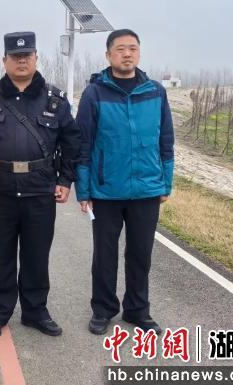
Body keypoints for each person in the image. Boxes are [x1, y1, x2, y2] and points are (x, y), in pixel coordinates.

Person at [0, 31, 81, 340]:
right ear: (4, 60)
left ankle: (35, 311)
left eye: (27, 56)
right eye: (15, 56)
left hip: (40, 191)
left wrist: (65, 180)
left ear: (35, 58)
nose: (22, 61)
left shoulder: (55, 100)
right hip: (1, 191)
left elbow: (72, 141)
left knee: (36, 256)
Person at [75, 28, 174, 336]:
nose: (127, 54)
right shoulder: (95, 93)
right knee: (104, 255)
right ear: (108, 55)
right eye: (120, 49)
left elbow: (166, 140)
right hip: (106, 191)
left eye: (132, 48)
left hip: (146, 189)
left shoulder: (155, 92)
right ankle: (103, 309)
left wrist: (165, 182)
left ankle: (137, 310)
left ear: (139, 53)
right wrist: (84, 189)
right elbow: (82, 144)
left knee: (140, 254)